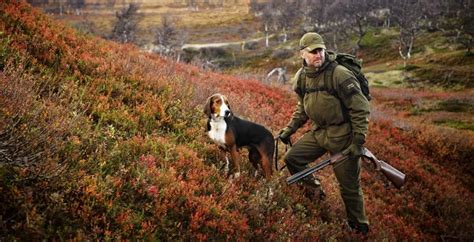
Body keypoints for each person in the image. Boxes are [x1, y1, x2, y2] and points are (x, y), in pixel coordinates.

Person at [278, 32, 371, 235]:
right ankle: (315, 195)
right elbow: (303, 107)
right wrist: (289, 129)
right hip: (319, 133)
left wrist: (358, 141)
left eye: (320, 50)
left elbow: (361, 108)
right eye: (312, 52)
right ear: (302, 54)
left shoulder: (339, 74)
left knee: (349, 188)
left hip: (344, 138)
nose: (318, 54)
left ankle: (360, 228)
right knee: (293, 158)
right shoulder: (302, 78)